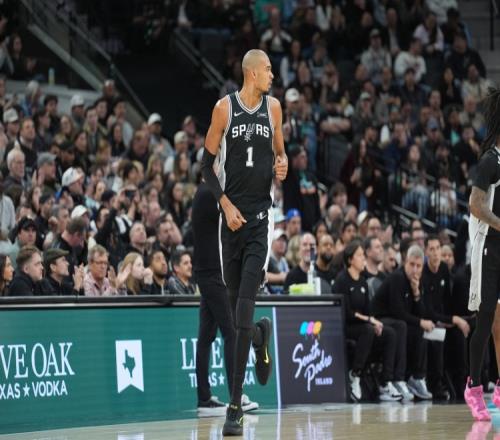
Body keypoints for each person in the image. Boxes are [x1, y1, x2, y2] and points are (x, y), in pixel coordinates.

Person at [200, 49, 288, 436]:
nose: (272, 75)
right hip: (230, 224)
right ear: (252, 73)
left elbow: (281, 156)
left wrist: (283, 165)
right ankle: (260, 335)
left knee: (241, 312)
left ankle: (234, 406)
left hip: (259, 224)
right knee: (240, 318)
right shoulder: (225, 109)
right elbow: (205, 166)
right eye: (268, 69)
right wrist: (224, 203)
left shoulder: (274, 109)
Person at [192, 181, 257, 417]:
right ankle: (235, 397)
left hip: (208, 271)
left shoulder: (206, 192)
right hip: (212, 272)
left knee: (206, 336)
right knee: (231, 331)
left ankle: (204, 399)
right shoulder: (210, 192)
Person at [465, 87, 500, 421]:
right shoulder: (490, 160)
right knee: (485, 319)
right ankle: (473, 387)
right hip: (488, 245)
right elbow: (475, 205)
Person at [333, 240, 403, 402]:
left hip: (363, 327)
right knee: (368, 330)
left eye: (363, 255)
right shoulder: (342, 280)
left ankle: (385, 383)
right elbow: (348, 313)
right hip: (347, 327)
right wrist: (370, 321)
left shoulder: (363, 282)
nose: (363, 258)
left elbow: (368, 310)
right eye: (359, 255)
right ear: (350, 260)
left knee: (389, 333)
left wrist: (373, 321)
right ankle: (355, 375)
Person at [372, 245, 435, 400]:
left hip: (399, 321)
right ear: (405, 262)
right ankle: (397, 379)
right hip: (379, 319)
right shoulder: (397, 278)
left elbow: (421, 313)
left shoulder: (417, 281)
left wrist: (416, 293)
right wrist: (420, 321)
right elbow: (398, 312)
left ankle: (416, 377)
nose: (415, 270)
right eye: (411, 265)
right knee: (403, 326)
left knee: (420, 330)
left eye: (418, 266)